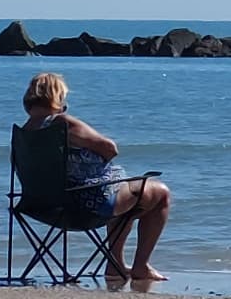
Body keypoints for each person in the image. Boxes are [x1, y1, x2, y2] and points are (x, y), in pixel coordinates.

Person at [21, 72, 172, 282]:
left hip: (42, 205)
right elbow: (110, 148)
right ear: (57, 97)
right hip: (85, 204)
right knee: (160, 192)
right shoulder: (62, 122)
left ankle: (115, 265)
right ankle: (140, 267)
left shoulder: (25, 132)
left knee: (124, 192)